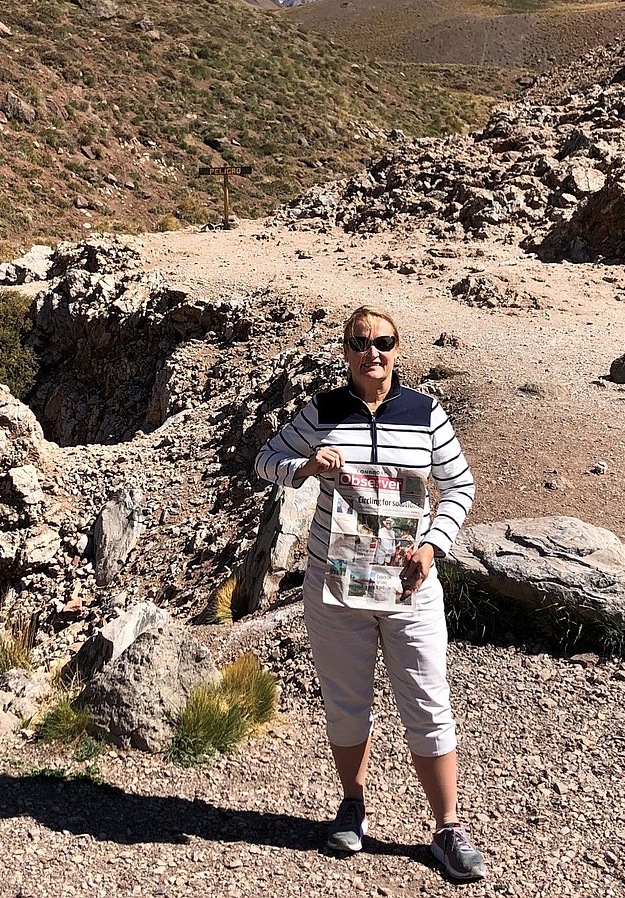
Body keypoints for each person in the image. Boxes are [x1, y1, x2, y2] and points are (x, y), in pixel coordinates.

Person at [254, 305, 486, 881]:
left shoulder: (425, 412)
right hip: (335, 586)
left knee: (429, 703)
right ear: (346, 352)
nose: (372, 353)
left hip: (410, 582)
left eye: (382, 342)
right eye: (360, 344)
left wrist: (433, 545)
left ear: (398, 349)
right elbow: (265, 461)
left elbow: (460, 485)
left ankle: (448, 828)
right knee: (346, 701)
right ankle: (352, 807)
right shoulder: (323, 411)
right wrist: (306, 465)